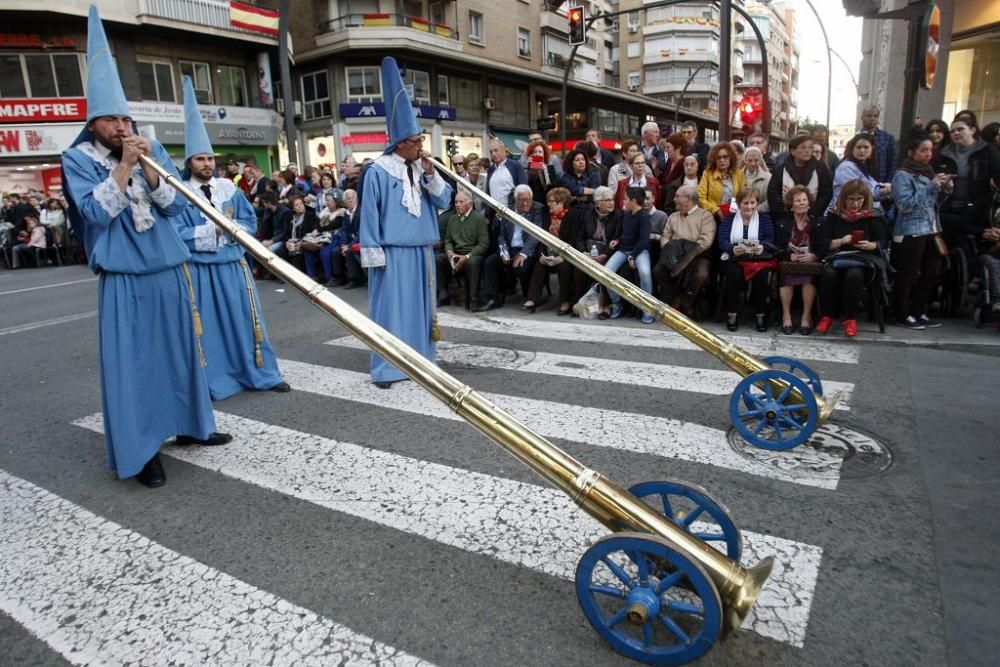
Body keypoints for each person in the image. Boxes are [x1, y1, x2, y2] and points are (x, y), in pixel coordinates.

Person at [61, 6, 226, 488]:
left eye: (125, 117)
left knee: (181, 352)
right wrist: (125, 167)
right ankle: (142, 449)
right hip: (125, 276)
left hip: (169, 267)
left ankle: (193, 426)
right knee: (136, 365)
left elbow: (176, 207)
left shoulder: (149, 151)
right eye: (110, 119)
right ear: (93, 124)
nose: (120, 126)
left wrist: (151, 166)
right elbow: (95, 212)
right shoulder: (77, 160)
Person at [175, 75, 288, 400]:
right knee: (209, 328)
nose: (207, 164)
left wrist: (234, 230)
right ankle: (218, 379)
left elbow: (250, 222)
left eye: (210, 159)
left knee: (248, 320)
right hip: (201, 270)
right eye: (200, 159)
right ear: (189, 162)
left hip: (233, 265)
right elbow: (178, 233)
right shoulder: (182, 194)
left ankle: (263, 374)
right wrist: (211, 230)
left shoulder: (229, 189)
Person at [360, 57, 453, 389]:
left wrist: (432, 176)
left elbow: (444, 201)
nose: (421, 147)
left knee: (420, 311)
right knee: (390, 312)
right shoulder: (377, 171)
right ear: (400, 142)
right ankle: (387, 367)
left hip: (421, 251)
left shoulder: (423, 168)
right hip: (392, 252)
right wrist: (374, 253)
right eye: (416, 142)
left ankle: (422, 360)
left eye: (421, 141)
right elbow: (368, 214)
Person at [891, 133, 952, 330]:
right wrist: (930, 188)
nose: (928, 154)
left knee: (931, 271)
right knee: (907, 273)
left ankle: (919, 310)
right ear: (912, 152)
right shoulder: (902, 174)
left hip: (931, 228)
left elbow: (934, 204)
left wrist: (945, 189)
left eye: (930, 150)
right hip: (910, 230)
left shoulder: (928, 172)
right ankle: (901, 313)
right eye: (923, 150)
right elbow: (905, 205)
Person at [814, 180, 890, 337]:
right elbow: (823, 242)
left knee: (854, 274)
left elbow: (883, 241)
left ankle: (851, 318)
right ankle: (827, 316)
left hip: (863, 259)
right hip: (838, 257)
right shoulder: (834, 215)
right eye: (851, 199)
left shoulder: (873, 216)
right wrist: (842, 241)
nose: (855, 203)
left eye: (859, 199)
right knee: (828, 274)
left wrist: (872, 245)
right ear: (844, 199)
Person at [934, 116, 1000, 249]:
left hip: (977, 207)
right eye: (952, 131)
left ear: (972, 130)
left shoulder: (988, 151)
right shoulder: (944, 153)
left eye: (960, 129)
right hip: (949, 206)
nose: (956, 133)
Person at [479, 184, 545, 311]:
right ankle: (493, 298)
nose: (525, 203)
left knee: (521, 266)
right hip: (510, 248)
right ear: (515, 199)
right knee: (490, 262)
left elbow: (535, 235)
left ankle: (529, 296)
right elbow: (502, 235)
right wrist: (504, 252)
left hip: (526, 249)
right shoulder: (507, 211)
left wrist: (523, 254)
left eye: (528, 199)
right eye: (521, 200)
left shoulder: (537, 209)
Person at [653, 185, 715, 317]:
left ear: (688, 199)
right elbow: (665, 237)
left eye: (677, 196)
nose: (674, 199)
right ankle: (676, 295)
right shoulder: (673, 217)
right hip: (674, 255)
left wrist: (687, 256)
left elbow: (706, 241)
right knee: (658, 270)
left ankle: (682, 301)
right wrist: (671, 252)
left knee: (701, 275)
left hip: (697, 255)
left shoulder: (705, 216)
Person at [718, 187, 775, 332]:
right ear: (738, 204)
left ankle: (760, 314)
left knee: (762, 276)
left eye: (752, 203)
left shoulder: (764, 218)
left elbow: (770, 239)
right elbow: (722, 239)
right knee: (735, 274)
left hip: (757, 259)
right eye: (745, 203)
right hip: (734, 258)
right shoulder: (730, 219)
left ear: (757, 203)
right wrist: (731, 248)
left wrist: (763, 247)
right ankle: (732, 313)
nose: (749, 206)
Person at [523, 187, 585, 314]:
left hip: (566, 255)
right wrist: (542, 255)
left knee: (564, 266)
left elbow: (574, 239)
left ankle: (565, 301)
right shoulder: (547, 216)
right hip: (548, 254)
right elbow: (541, 238)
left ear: (561, 202)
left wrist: (562, 256)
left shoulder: (573, 215)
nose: (548, 204)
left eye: (551, 201)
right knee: (539, 265)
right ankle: (533, 299)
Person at [774, 186, 820, 335]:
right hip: (789, 263)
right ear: (791, 205)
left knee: (809, 277)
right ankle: (786, 316)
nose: (801, 203)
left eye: (804, 200)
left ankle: (806, 317)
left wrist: (814, 256)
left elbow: (824, 246)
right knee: (786, 274)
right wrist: (789, 256)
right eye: (798, 200)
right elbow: (776, 248)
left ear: (809, 203)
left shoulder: (818, 223)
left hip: (809, 264)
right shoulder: (782, 223)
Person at [605, 187, 654, 323]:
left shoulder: (644, 218)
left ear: (633, 201)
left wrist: (633, 255)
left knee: (645, 273)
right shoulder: (626, 214)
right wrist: (617, 240)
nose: (623, 201)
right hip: (622, 250)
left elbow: (644, 240)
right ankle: (616, 302)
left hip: (639, 251)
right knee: (605, 272)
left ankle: (648, 308)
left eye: (626, 199)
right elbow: (624, 233)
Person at [767, 135, 832, 221]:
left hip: (812, 218)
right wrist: (784, 213)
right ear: (793, 151)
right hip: (786, 218)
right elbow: (773, 193)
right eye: (803, 148)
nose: (807, 151)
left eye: (810, 147)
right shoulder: (781, 169)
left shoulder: (820, 168)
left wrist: (813, 213)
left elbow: (826, 193)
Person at [443, 190, 489, 309]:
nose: (457, 205)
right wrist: (449, 252)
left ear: (469, 203)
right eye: (456, 202)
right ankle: (443, 295)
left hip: (473, 253)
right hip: (456, 252)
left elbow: (484, 244)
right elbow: (448, 240)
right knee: (438, 260)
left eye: (461, 202)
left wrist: (468, 256)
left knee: (472, 263)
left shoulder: (478, 218)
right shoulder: (453, 219)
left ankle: (474, 298)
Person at [831, 133, 891, 211]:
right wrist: (885, 190)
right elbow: (860, 192)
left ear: (872, 148)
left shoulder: (866, 167)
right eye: (858, 147)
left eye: (866, 147)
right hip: (847, 216)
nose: (862, 150)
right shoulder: (845, 168)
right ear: (852, 149)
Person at [698, 141, 745, 224]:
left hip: (734, 216)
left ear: (731, 158)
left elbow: (743, 196)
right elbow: (700, 198)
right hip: (712, 217)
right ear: (714, 159)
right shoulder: (708, 173)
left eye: (725, 157)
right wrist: (716, 210)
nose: (722, 160)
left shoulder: (738, 173)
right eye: (718, 158)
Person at [486, 137, 527, 211]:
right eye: (491, 152)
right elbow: (488, 192)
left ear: (504, 150)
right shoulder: (491, 169)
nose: (493, 154)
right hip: (494, 213)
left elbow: (524, 189)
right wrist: (487, 214)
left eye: (496, 150)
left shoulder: (516, 166)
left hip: (511, 212)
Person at [861, 105, 897, 186]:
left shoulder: (887, 138)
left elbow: (893, 163)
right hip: (862, 183)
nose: (872, 119)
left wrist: (887, 183)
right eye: (869, 116)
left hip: (881, 183)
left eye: (875, 116)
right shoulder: (857, 138)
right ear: (862, 117)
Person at [524, 138, 559, 205]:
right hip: (534, 203)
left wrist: (544, 171)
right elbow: (528, 184)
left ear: (544, 154)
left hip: (547, 202)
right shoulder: (528, 170)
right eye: (535, 152)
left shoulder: (550, 168)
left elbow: (553, 186)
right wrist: (530, 167)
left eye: (540, 152)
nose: (537, 154)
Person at [742, 147, 771, 214]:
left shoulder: (768, 178)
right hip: (740, 214)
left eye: (756, 160)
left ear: (760, 161)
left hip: (761, 214)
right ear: (744, 160)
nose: (753, 163)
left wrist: (754, 210)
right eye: (749, 160)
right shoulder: (737, 176)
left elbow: (770, 200)